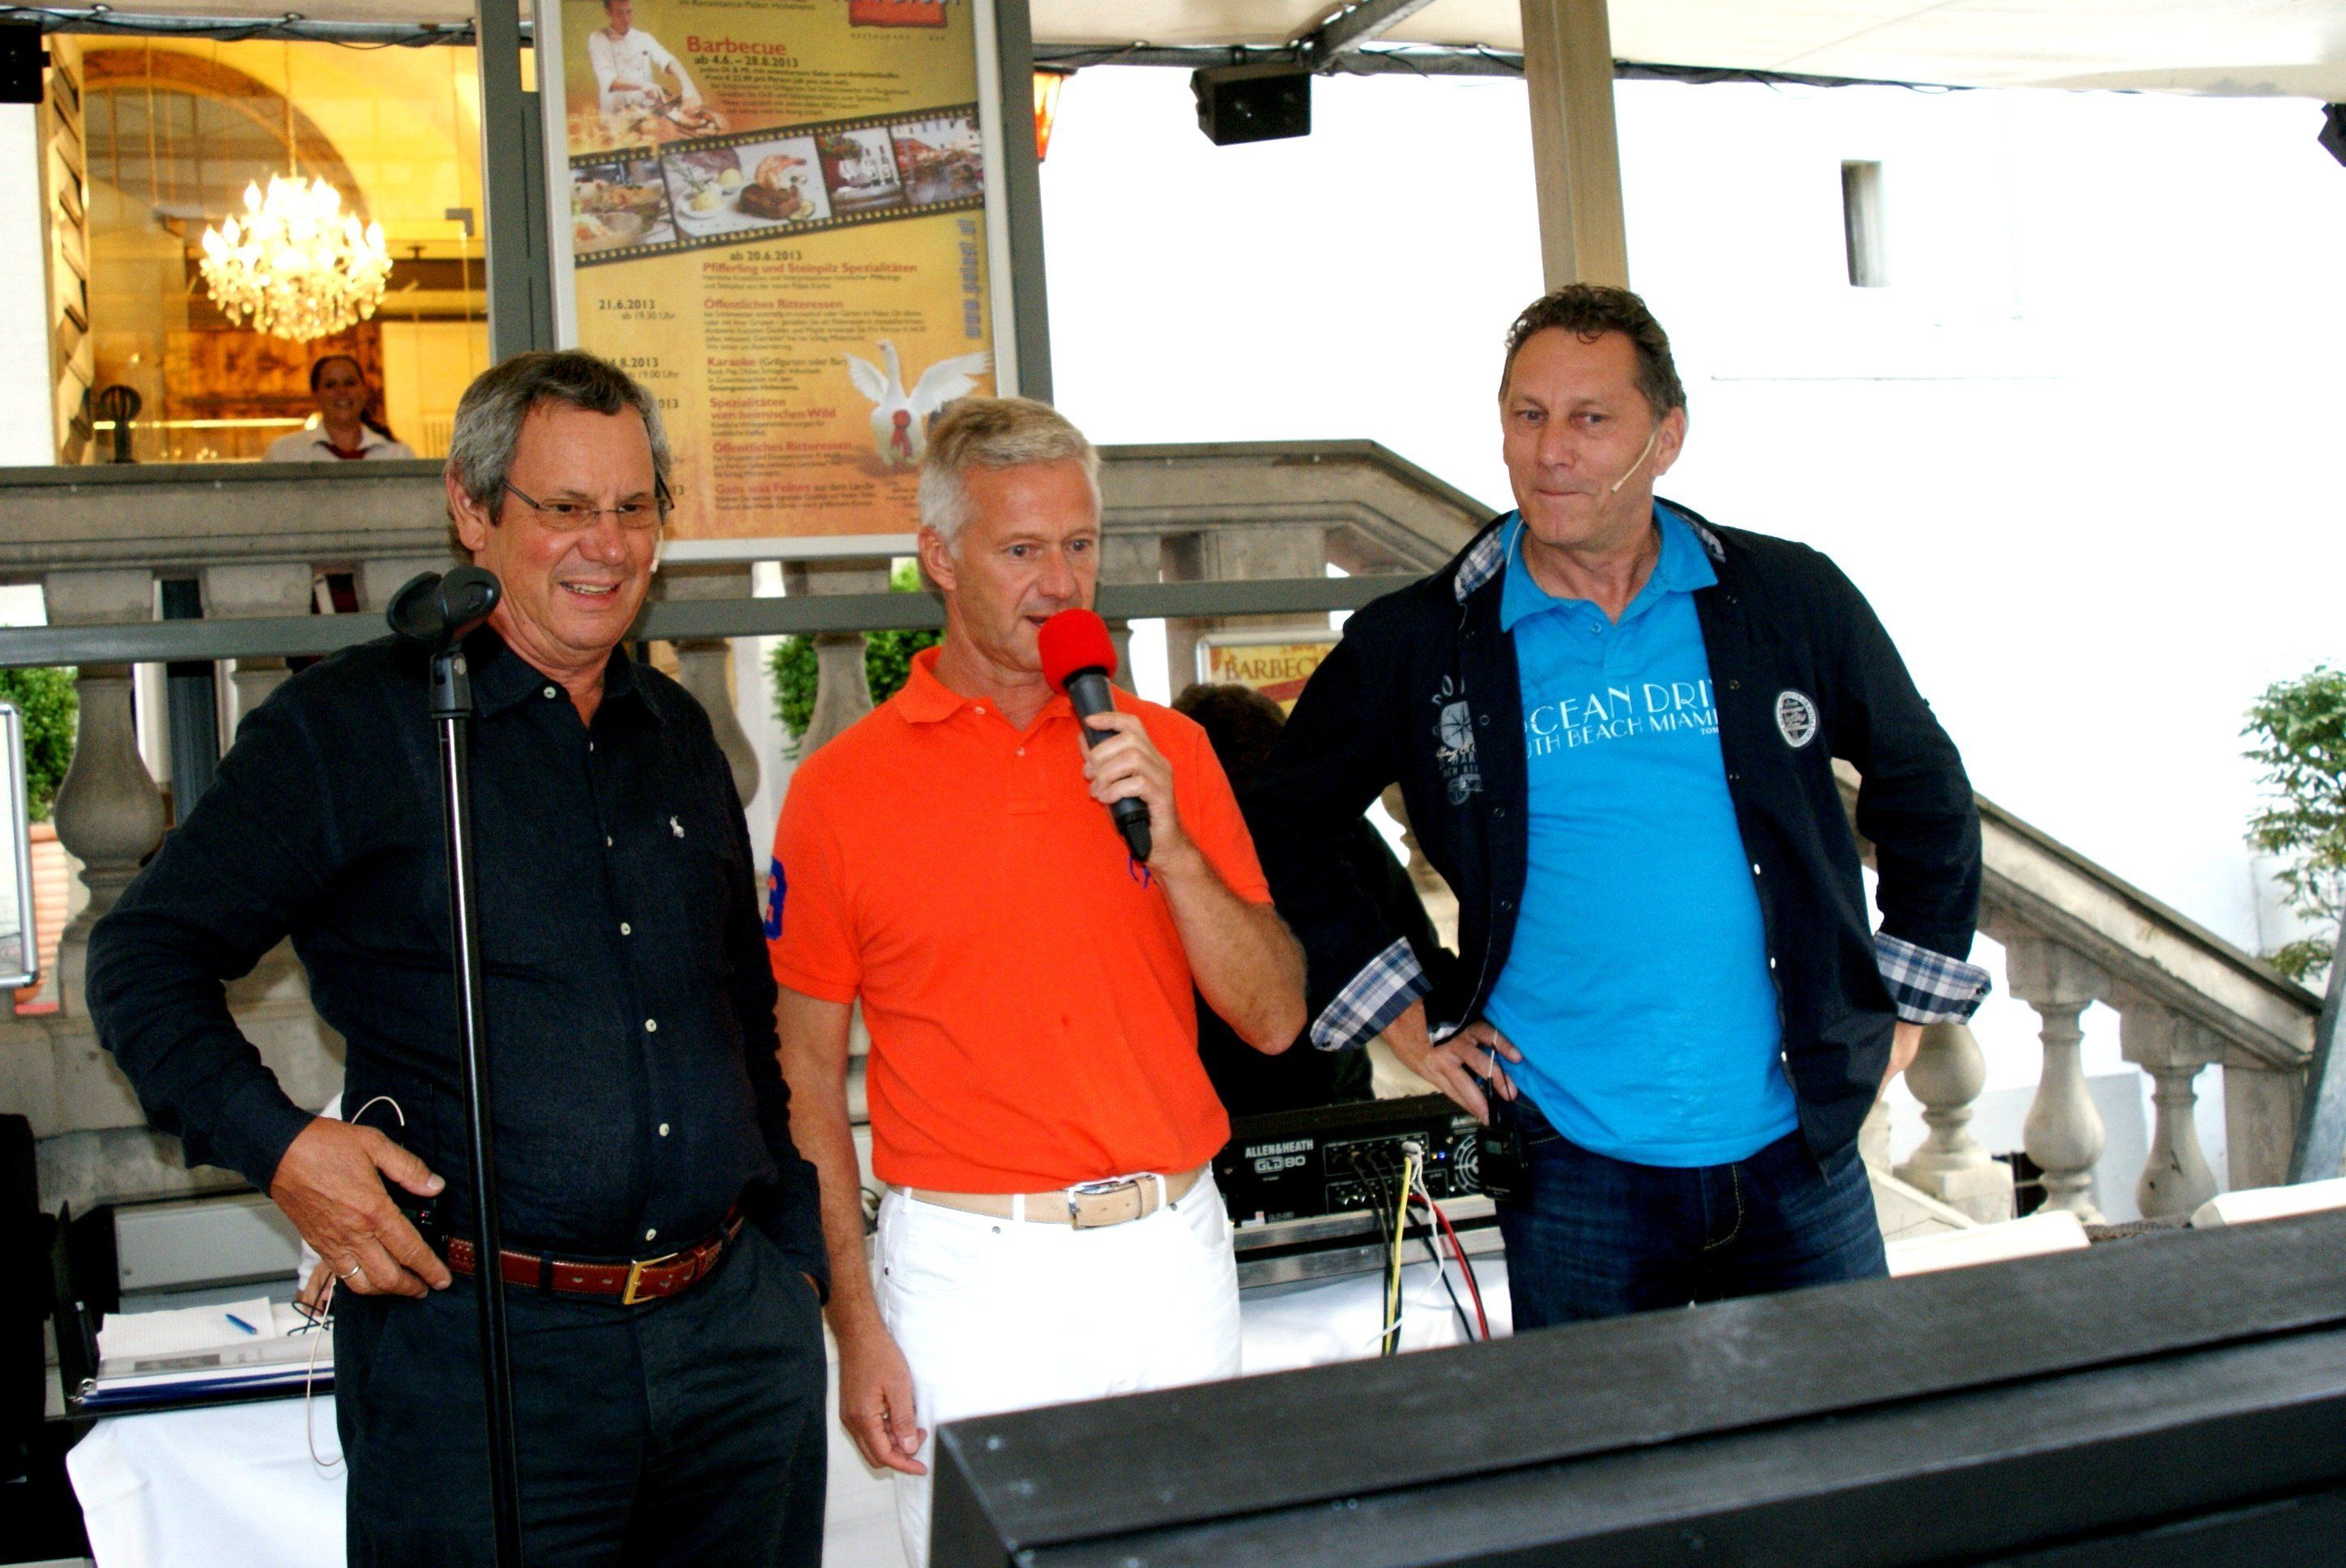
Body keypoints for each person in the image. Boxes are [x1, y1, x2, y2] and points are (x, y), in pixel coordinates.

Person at [87, 350, 830, 1566]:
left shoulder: (677, 731)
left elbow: (745, 1024)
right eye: (565, 507)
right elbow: (141, 956)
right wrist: (283, 1148)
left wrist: (793, 1264)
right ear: (473, 511)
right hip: (481, 1367)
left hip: (735, 1353)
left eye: (634, 507)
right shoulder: (355, 727)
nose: (607, 546)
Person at [1249, 284, 1992, 1329]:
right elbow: (1284, 818)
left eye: (1590, 418)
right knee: (1600, 1442)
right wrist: (1405, 1019)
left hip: (1800, 1153)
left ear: (1665, 437)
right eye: (1527, 415)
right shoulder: (1418, 642)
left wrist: (1905, 1005)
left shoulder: (1787, 598)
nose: (1550, 451)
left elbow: (1925, 787)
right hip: (1570, 1164)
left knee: (1843, 1428)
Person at [766, 397, 1306, 1566]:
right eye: (1021, 549)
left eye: (1079, 544)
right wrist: (855, 1320)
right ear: (939, 558)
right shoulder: (842, 790)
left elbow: (1274, 1018)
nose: (1061, 584)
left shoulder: (1171, 753)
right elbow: (803, 1081)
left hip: (1173, 1254)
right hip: (972, 1278)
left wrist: (1175, 848)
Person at [1171, 680, 1452, 1114]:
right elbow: (1416, 951)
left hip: (1205, 1106)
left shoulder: (1167, 850)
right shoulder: (1331, 834)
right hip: (1331, 1099)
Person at [262, 354, 416, 462]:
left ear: (364, 391)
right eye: (330, 385)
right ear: (316, 396)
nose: (342, 391)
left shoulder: (397, 455)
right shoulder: (284, 453)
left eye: (350, 383)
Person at [588, 0, 702, 127]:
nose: (626, 19)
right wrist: (643, 85)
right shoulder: (598, 38)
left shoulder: (644, 38)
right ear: (608, 12)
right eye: (620, 13)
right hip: (615, 119)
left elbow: (667, 60)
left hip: (645, 116)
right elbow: (608, 79)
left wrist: (688, 85)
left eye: (629, 11)